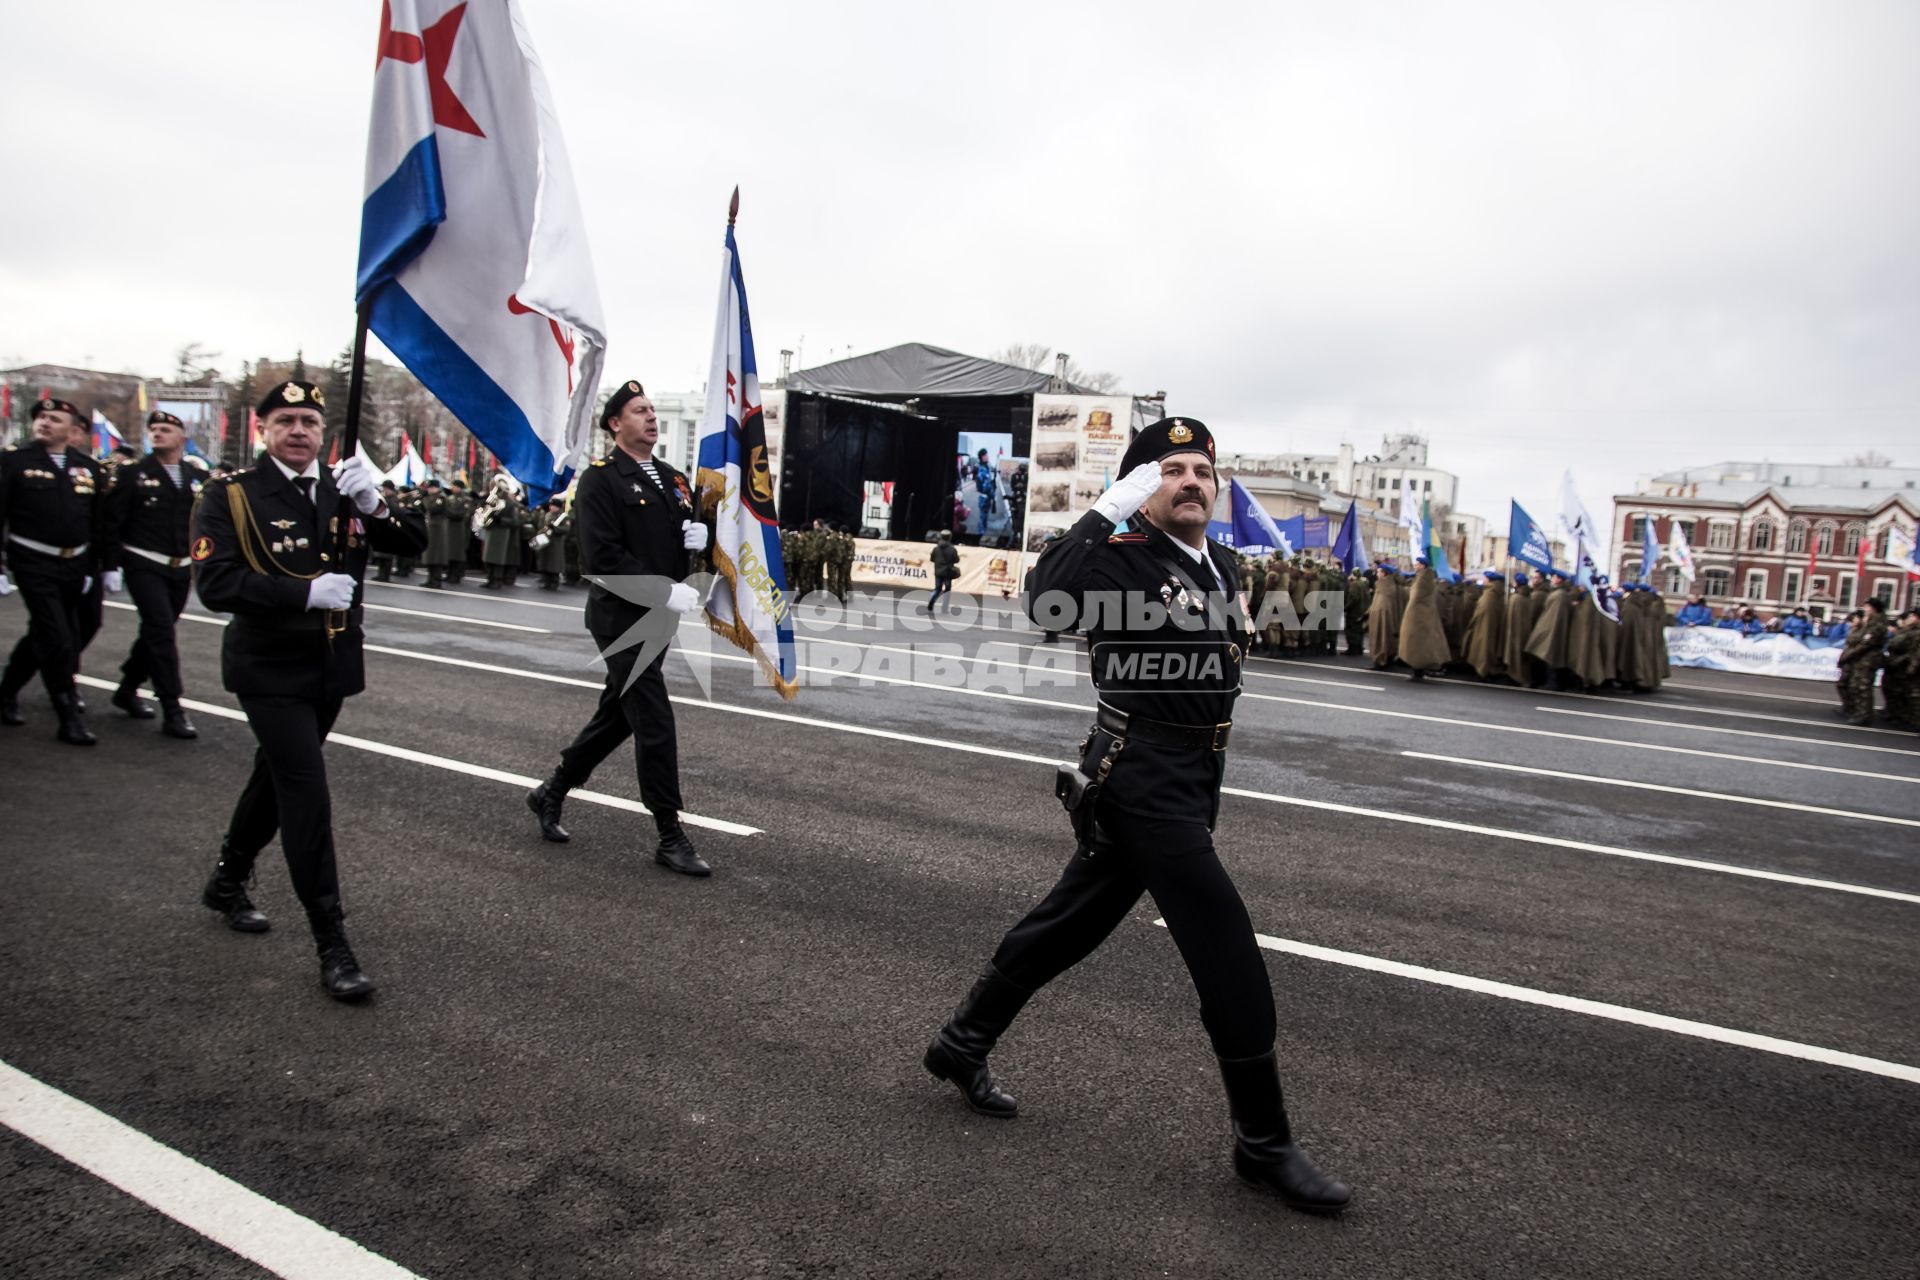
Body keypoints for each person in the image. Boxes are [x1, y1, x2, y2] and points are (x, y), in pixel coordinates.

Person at [922, 416, 1350, 1215]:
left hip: (1193, 771)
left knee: (1071, 921)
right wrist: (1104, 510)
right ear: (1141, 491)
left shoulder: (1218, 561)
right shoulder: (1120, 560)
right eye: (1170, 471)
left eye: (1201, 471)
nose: (1190, 481)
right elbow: (1045, 601)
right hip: (1142, 773)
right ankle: (1264, 1143)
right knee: (1226, 949)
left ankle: (961, 1042)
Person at [190, 380, 428, 1000]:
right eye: (286, 420)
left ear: (324, 433)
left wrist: (375, 505)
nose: (299, 431)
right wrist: (301, 591)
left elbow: (412, 542)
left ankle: (226, 879)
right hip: (268, 666)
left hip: (329, 665)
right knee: (304, 789)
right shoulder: (233, 496)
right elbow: (215, 584)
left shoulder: (341, 489)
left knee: (273, 775)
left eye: (309, 422)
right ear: (261, 430)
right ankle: (332, 941)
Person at [525, 381, 712, 876]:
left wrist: (699, 539)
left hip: (658, 619)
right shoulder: (600, 479)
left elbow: (676, 545)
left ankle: (551, 790)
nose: (651, 417)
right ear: (615, 424)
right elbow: (602, 558)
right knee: (653, 719)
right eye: (639, 410)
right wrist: (662, 590)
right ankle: (670, 834)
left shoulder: (672, 479)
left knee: (618, 716)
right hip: (619, 619)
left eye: (653, 409)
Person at [0, 397, 106, 743]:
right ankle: (67, 715)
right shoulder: (14, 462)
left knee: (44, 635)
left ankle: (6, 693)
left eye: (54, 418)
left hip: (75, 563)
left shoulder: (87, 468)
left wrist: (96, 566)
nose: (45, 422)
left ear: (72, 429)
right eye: (41, 417)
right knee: (57, 635)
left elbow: (95, 521)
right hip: (32, 560)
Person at [98, 409, 208, 738]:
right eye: (154, 429)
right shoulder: (132, 473)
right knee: (161, 630)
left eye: (165, 429)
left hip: (179, 567)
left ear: (182, 438)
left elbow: (202, 524)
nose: (157, 433)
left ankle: (128, 687)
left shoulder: (195, 476)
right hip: (143, 562)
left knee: (155, 632)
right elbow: (112, 521)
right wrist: (111, 565)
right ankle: (172, 707)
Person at [1835, 599, 1889, 726]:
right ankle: (1859, 713)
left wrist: (1848, 655)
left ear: (1873, 608)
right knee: (1856, 686)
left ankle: (1864, 716)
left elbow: (1866, 643)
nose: (1865, 610)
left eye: (1867, 607)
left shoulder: (1877, 624)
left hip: (1869, 659)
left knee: (1863, 687)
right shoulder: (1870, 622)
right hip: (1863, 658)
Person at [927, 530, 959, 612]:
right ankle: (944, 608)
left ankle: (931, 601)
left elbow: (932, 559)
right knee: (947, 590)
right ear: (950, 537)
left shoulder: (936, 548)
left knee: (937, 588)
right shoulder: (952, 549)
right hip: (948, 572)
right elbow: (956, 560)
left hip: (938, 571)